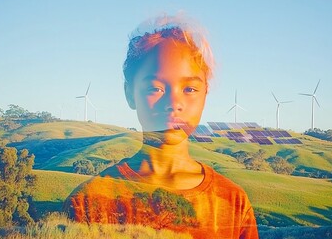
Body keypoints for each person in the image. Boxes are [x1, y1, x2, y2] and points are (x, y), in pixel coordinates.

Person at [66, 14, 258, 239]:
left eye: (190, 89)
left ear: (206, 93)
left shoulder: (234, 203)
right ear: (130, 93)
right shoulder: (88, 203)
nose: (174, 104)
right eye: (155, 89)